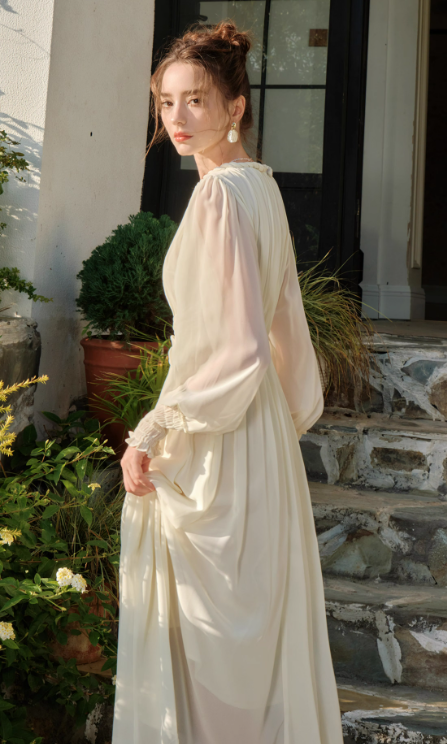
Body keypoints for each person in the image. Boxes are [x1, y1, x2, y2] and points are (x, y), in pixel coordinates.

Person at [114, 20, 344, 744]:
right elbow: (285, 330)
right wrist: (283, 421)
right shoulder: (260, 187)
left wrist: (151, 428)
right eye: (166, 102)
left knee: (206, 640)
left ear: (235, 106)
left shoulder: (218, 196)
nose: (177, 118)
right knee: (249, 640)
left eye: (195, 100)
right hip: (258, 432)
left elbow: (236, 348)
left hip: (221, 433)